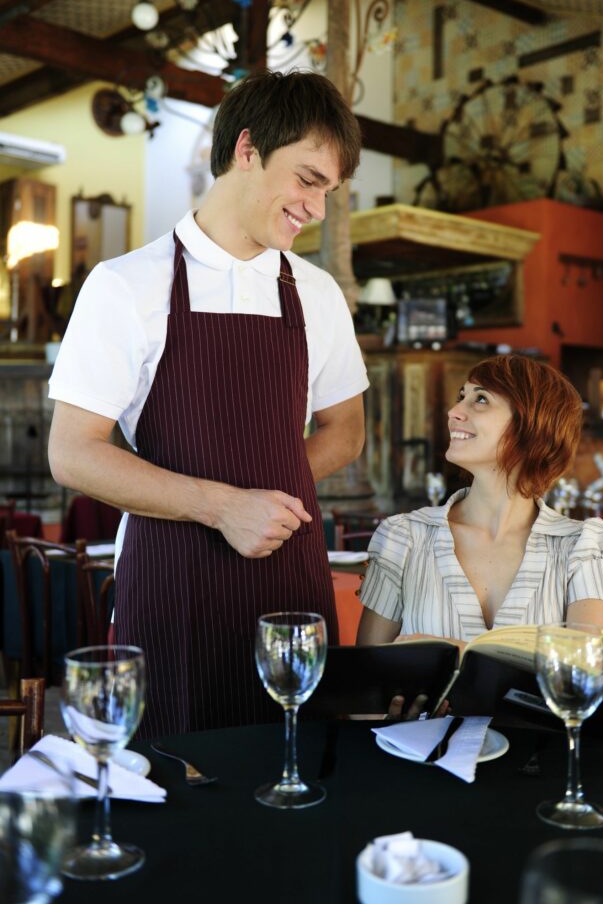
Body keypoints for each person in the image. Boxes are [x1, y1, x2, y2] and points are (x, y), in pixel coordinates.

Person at [48, 70, 369, 737]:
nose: (315, 208)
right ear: (247, 149)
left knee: (293, 777)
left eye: (328, 192)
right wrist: (222, 507)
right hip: (170, 578)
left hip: (288, 577)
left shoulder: (316, 293)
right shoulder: (124, 286)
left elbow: (345, 429)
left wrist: (269, 502)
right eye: (307, 179)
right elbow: (73, 454)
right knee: (178, 787)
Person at [357, 354, 603, 650]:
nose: (454, 411)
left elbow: (585, 676)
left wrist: (457, 653)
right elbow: (371, 673)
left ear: (531, 425)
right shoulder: (403, 539)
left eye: (480, 400)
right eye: (461, 397)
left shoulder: (580, 548)